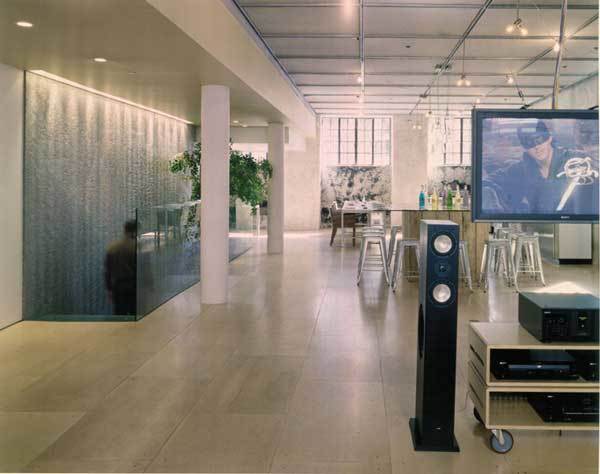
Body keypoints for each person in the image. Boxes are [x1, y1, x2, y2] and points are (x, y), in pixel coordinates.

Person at [482, 120, 599, 215]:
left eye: (539, 140)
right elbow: (485, 182)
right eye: (529, 143)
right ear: (524, 147)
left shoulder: (577, 159)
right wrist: (500, 206)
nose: (536, 147)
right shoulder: (520, 169)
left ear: (549, 138)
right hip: (538, 226)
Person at [105, 220, 137, 316]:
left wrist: (109, 289)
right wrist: (150, 286)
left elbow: (107, 271)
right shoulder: (138, 246)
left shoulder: (112, 247)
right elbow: (145, 268)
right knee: (135, 313)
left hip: (118, 287)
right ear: (134, 231)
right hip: (133, 286)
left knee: (119, 315)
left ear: (124, 230)